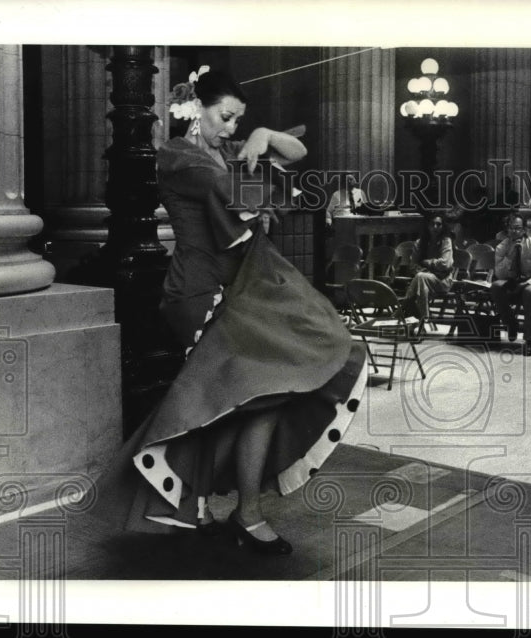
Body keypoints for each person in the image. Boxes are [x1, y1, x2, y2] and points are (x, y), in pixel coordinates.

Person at [93, 69, 366, 555]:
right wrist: (257, 157)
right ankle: (242, 512)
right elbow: (245, 194)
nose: (231, 128)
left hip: (244, 290)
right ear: (195, 109)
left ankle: (246, 511)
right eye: (225, 117)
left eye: (239, 120)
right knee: (253, 393)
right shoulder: (180, 157)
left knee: (271, 391)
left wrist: (263, 135)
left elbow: (296, 153)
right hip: (202, 295)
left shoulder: (224, 153)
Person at [490, 212, 531, 355]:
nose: (514, 231)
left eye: (517, 228)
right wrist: (509, 257)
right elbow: (499, 275)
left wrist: (528, 282)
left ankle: (529, 340)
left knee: (529, 291)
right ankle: (510, 321)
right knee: (496, 286)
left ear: (524, 230)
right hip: (513, 282)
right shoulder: (501, 247)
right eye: (511, 228)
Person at [399, 213, 455, 322]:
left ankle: (402, 309)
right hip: (424, 280)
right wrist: (424, 269)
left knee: (420, 278)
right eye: (432, 224)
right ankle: (424, 320)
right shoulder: (420, 243)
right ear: (427, 226)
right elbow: (413, 266)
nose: (435, 227)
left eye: (438, 224)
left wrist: (427, 262)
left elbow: (445, 264)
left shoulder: (446, 241)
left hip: (442, 280)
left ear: (443, 226)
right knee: (421, 280)